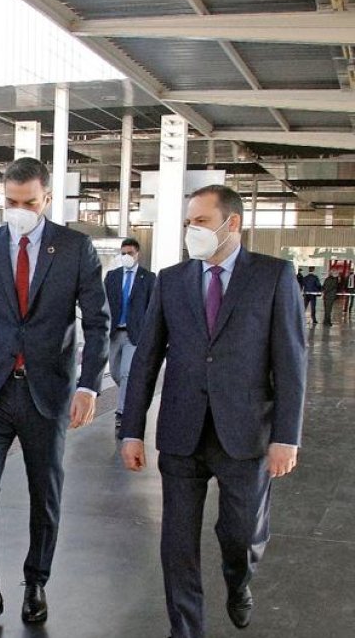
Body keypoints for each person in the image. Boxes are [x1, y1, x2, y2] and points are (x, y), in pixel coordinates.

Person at [121, 185, 306, 638]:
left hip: (245, 433)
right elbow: (147, 359)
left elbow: (290, 360)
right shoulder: (172, 279)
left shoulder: (273, 276)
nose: (192, 231)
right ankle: (185, 630)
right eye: (189, 222)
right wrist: (132, 430)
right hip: (182, 432)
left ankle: (238, 580)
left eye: (201, 221)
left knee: (241, 534)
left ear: (232, 223)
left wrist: (287, 437)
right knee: (177, 545)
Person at [0, 157, 109, 635]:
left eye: (29, 203)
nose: (19, 211)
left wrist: (88, 386)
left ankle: (36, 581)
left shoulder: (76, 249)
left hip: (47, 391)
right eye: (11, 202)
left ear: (47, 199)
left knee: (46, 492)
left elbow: (97, 322)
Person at [105, 237, 152, 437]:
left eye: (130, 253)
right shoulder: (112, 276)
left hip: (134, 334)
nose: (126, 256)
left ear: (137, 254)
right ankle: (131, 396)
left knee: (126, 373)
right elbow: (103, 302)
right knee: (116, 372)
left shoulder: (148, 278)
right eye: (123, 253)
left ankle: (122, 413)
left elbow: (151, 308)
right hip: (114, 332)